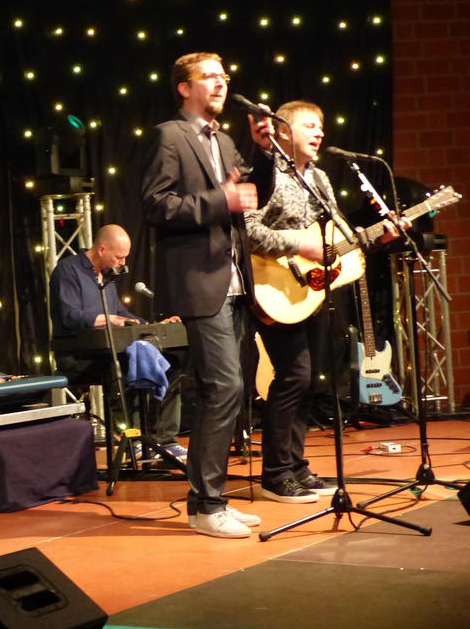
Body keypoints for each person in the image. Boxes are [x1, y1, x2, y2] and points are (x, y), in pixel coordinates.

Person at [244, 100, 406, 503]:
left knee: (309, 378)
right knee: (293, 377)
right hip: (273, 287)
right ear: (283, 132)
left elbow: (341, 238)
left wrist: (378, 236)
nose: (319, 133)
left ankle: (296, 467)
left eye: (321, 126)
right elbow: (247, 231)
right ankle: (275, 474)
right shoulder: (264, 174)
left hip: (311, 292)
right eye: (310, 126)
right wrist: (299, 245)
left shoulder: (318, 177)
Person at [140, 51, 272, 539]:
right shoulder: (169, 136)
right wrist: (221, 199)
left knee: (232, 388)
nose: (221, 83)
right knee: (224, 386)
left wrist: (263, 154)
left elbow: (254, 196)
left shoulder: (226, 140)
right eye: (210, 76)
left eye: (224, 76)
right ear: (184, 87)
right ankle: (206, 505)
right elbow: (156, 205)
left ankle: (211, 501)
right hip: (200, 281)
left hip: (234, 279)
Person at [49, 224, 187, 462]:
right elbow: (70, 316)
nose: (123, 263)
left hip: (110, 351)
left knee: (169, 363)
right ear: (102, 249)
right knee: (124, 365)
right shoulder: (68, 270)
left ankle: (165, 440)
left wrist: (151, 325)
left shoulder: (107, 276)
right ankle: (132, 440)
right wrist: (107, 319)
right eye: (119, 257)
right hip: (79, 355)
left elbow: (121, 314)